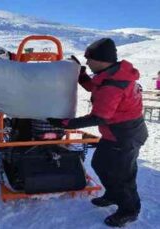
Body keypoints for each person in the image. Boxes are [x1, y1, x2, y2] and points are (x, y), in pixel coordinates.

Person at [48, 38, 148, 227]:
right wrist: (82, 76)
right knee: (100, 164)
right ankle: (112, 194)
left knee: (122, 175)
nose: (87, 62)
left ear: (101, 59)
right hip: (117, 133)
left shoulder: (113, 84)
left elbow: (99, 117)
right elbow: (95, 87)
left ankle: (129, 210)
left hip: (125, 136)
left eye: (89, 59)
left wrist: (65, 124)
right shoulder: (111, 74)